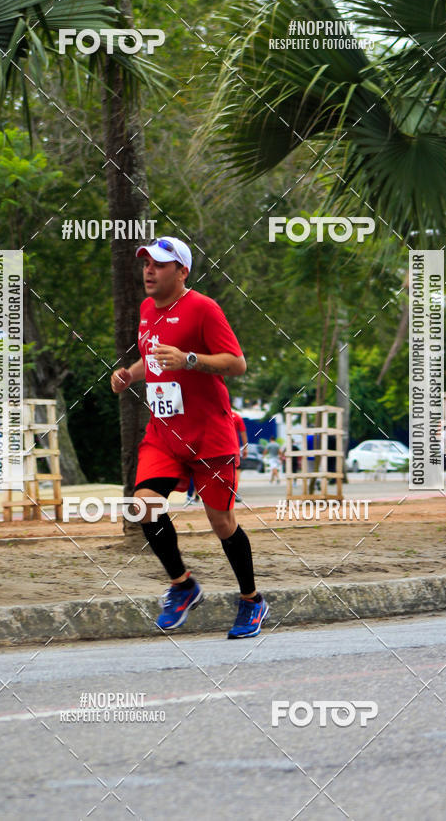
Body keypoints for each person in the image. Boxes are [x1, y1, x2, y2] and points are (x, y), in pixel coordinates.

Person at [110, 236, 269, 639]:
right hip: (164, 433)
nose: (149, 270)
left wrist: (190, 360)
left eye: (160, 264)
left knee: (221, 521)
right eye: (146, 263)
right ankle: (183, 585)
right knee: (143, 506)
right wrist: (130, 374)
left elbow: (237, 363)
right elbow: (153, 360)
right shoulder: (148, 309)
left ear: (182, 271)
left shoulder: (203, 308)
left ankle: (251, 600)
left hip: (209, 436)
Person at [231, 406, 248, 503]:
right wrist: (245, 448)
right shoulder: (237, 417)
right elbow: (243, 433)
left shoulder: (216, 415)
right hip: (233, 449)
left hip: (219, 448)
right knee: (236, 469)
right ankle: (234, 491)